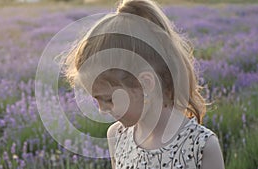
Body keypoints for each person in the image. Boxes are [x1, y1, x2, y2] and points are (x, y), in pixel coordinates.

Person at [62, 0, 225, 168]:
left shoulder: (200, 145)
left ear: (146, 84)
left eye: (109, 99)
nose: (102, 110)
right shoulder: (117, 136)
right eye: (96, 100)